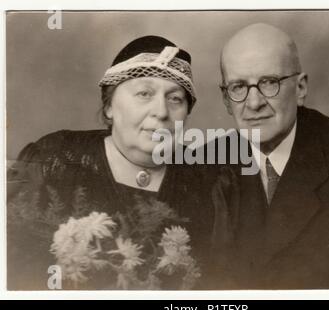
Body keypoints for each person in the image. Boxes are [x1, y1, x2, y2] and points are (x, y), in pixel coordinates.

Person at [7, 36, 214, 290]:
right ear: (109, 107)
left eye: (175, 99)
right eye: (144, 93)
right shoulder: (57, 158)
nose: (161, 112)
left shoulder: (206, 181)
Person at [207, 23, 329, 289]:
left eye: (269, 83)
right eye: (239, 87)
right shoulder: (203, 167)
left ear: (300, 88)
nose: (254, 103)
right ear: (226, 99)